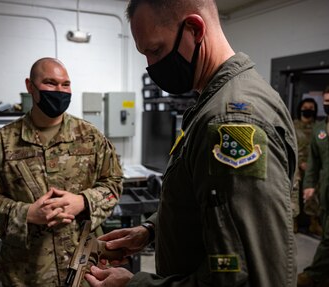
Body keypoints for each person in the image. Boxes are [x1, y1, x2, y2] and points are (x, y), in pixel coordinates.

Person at [85, 0, 298, 286]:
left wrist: (134, 285)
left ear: (194, 29)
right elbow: (210, 205)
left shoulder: (231, 122)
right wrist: (152, 230)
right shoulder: (214, 104)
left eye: (156, 50)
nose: (151, 66)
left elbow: (247, 277)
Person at [0, 57, 123, 286]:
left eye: (65, 84)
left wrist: (83, 201)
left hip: (83, 269)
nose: (60, 91)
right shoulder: (3, 142)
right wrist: (27, 213)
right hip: (24, 274)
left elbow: (114, 183)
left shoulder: (91, 137)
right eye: (50, 83)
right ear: (30, 86)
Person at [297, 86, 329, 287]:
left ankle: (314, 274)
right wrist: (309, 185)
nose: (328, 105)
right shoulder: (320, 130)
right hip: (326, 192)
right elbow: (314, 162)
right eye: (326, 101)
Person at [293, 98, 321, 235]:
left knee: (315, 195)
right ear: (300, 108)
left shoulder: (319, 127)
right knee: (294, 194)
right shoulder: (293, 125)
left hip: (314, 167)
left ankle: (314, 223)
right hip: (296, 167)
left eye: (311, 107)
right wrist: (299, 163)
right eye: (305, 107)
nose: (308, 109)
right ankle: (293, 222)